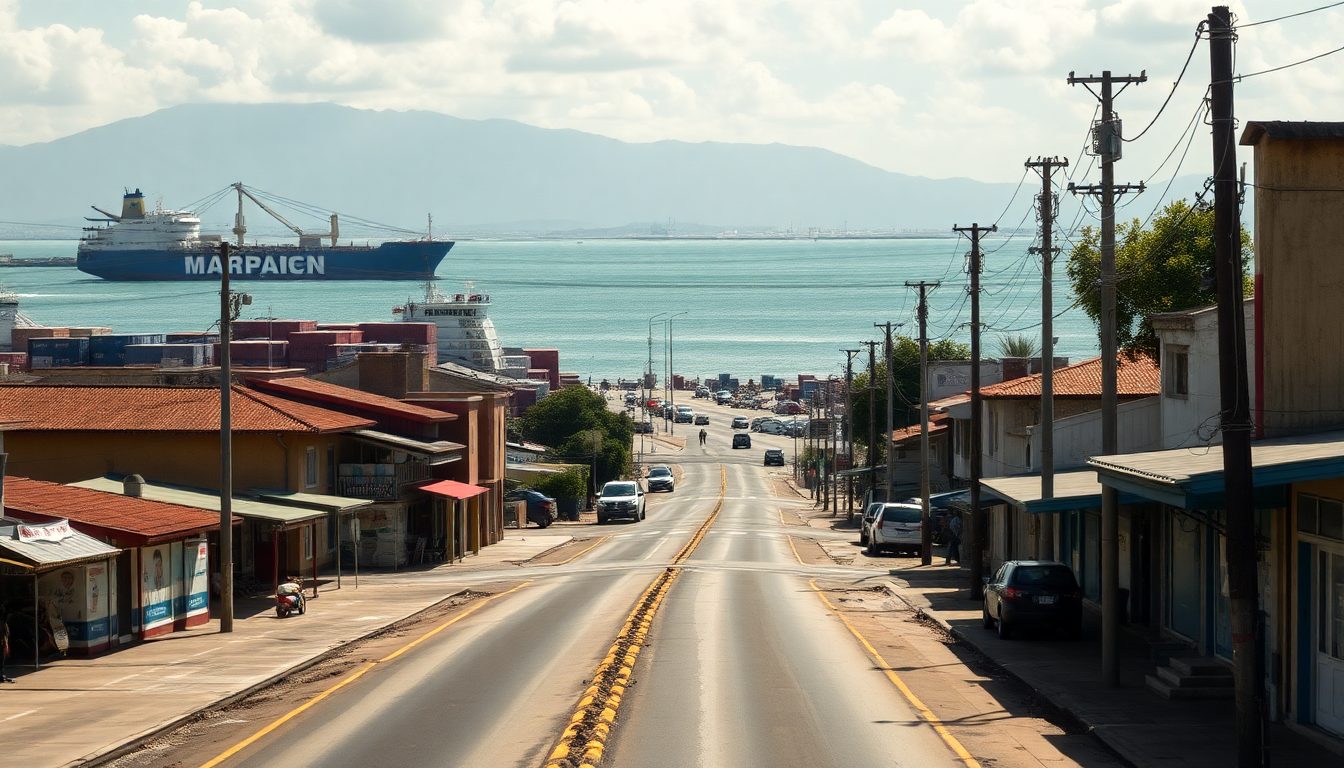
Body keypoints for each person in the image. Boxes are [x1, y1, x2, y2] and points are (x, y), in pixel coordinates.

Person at [0, 603, 13, 683]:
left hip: (3, 644)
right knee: (1, 659)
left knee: (2, 660)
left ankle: (1, 674)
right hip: (2, 644)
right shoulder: (3, 623)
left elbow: (6, 634)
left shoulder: (3, 623)